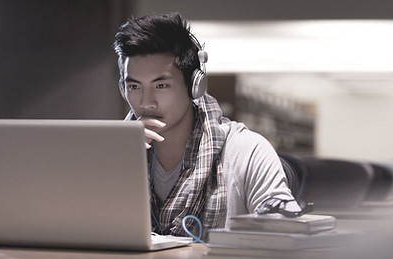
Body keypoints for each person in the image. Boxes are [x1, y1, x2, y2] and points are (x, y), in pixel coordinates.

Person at [113, 12, 300, 240]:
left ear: (195, 86)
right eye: (134, 87)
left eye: (161, 86)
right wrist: (118, 161)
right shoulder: (112, 153)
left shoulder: (247, 151)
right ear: (123, 89)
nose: (146, 102)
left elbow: (287, 234)